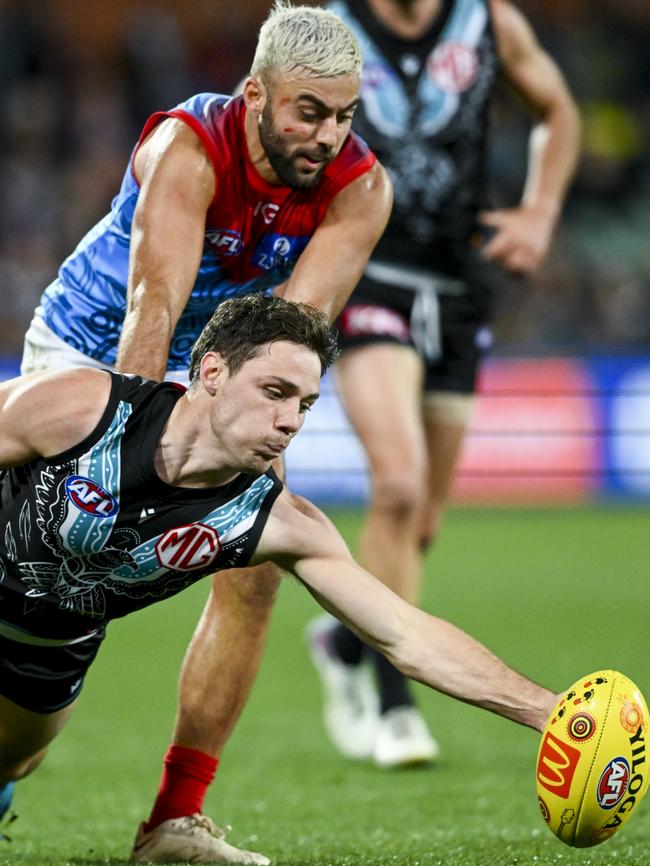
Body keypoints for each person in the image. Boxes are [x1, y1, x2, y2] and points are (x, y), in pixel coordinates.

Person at [19, 2, 392, 862]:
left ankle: (172, 823)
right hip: (86, 354)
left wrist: (248, 490)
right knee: (44, 563)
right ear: (255, 93)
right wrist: (122, 470)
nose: (330, 135)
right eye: (309, 111)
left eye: (344, 115)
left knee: (256, 571)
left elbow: (291, 343)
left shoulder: (362, 191)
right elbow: (151, 311)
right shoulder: (188, 150)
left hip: (221, 372)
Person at [0, 294, 556, 864]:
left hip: (52, 646)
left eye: (306, 405)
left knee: (14, 760)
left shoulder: (277, 523)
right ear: (212, 372)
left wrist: (549, 711)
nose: (290, 421)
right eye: (275, 393)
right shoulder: (81, 408)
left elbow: (404, 634)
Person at [307, 0, 581, 769]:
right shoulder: (329, 23)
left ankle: (343, 643)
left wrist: (542, 211)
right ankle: (396, 705)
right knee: (396, 485)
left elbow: (558, 109)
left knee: (420, 522)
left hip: (460, 286)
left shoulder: (489, 21)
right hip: (367, 273)